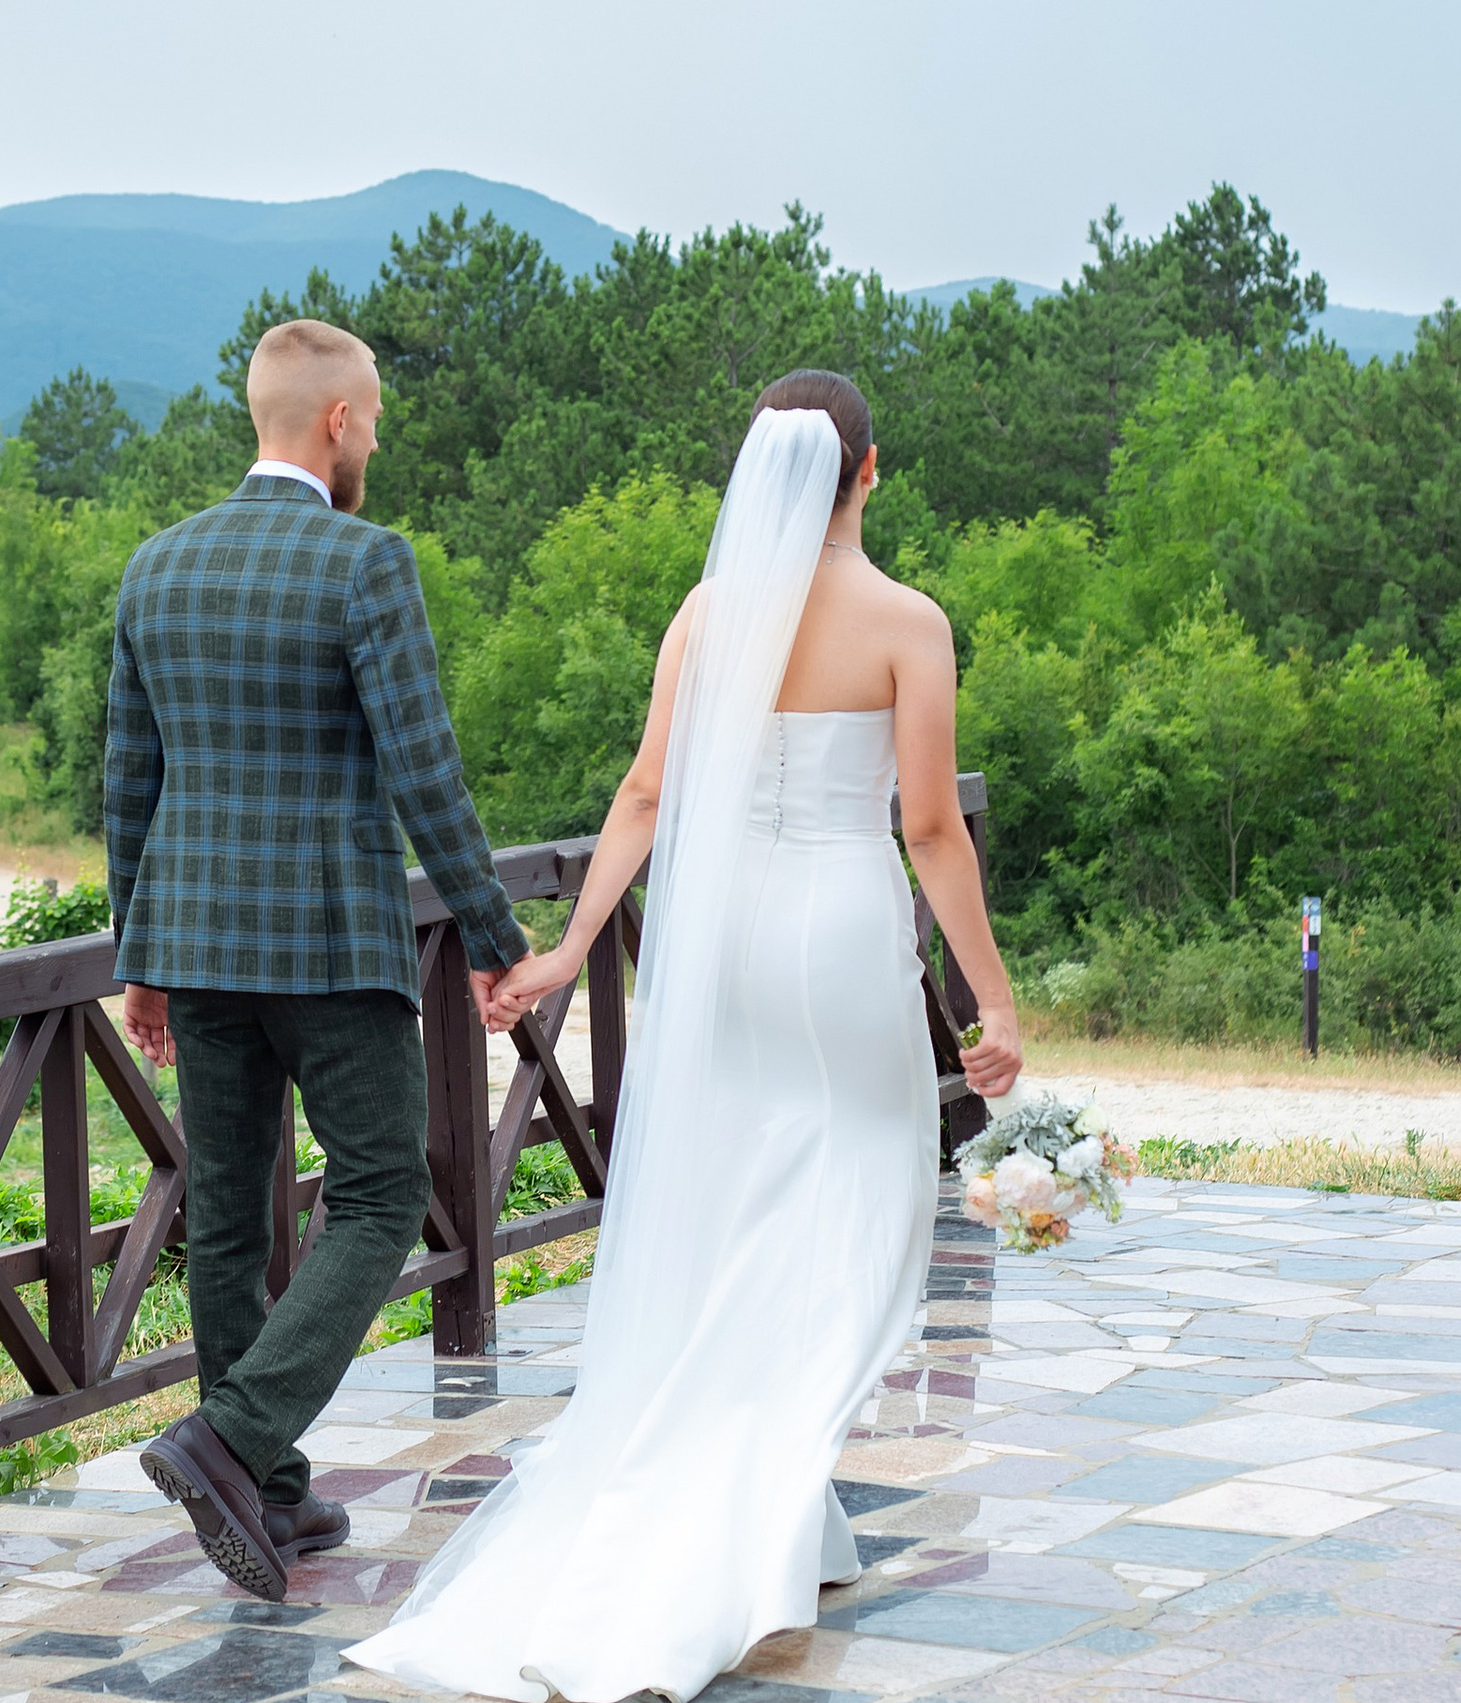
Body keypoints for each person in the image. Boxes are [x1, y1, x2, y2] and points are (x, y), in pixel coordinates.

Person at [347, 370, 1022, 1703]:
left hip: (723, 943)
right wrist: (992, 1001)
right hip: (836, 934)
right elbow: (931, 828)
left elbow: (647, 792)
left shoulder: (711, 614)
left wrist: (569, 949)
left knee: (747, 1204)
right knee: (863, 1209)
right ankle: (744, 1514)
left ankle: (779, 1513)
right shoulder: (907, 622)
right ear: (868, 471)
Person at [109, 317, 530, 1603]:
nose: (377, 443)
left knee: (231, 1216)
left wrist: (137, 955)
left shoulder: (155, 567)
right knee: (384, 1193)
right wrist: (492, 935)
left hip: (196, 945)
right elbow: (423, 767)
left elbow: (130, 782)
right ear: (337, 420)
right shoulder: (365, 560)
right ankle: (232, 1440)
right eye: (376, 419)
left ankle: (271, 1492)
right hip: (333, 947)